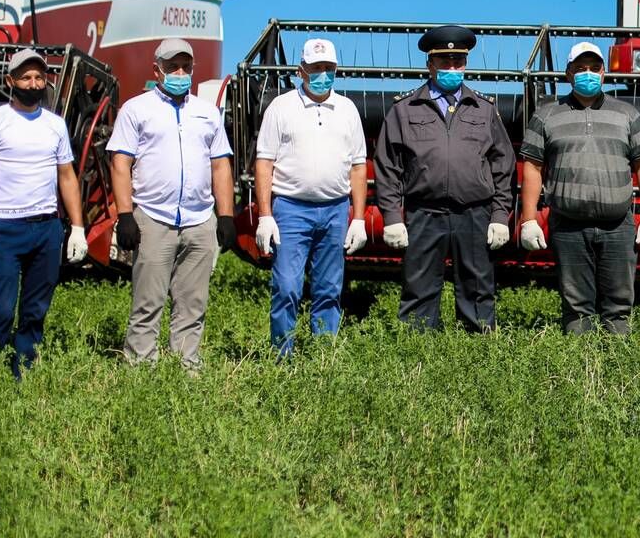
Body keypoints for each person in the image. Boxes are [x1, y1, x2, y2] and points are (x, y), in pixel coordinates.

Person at [374, 25, 515, 333]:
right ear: (430, 64)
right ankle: (415, 363)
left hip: (475, 213)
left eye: (458, 61)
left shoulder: (484, 109)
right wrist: (391, 216)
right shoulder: (404, 108)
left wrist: (501, 215)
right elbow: (387, 165)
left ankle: (478, 361)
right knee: (419, 290)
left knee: (478, 292)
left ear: (465, 63)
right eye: (445, 61)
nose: (452, 68)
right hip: (424, 212)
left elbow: (503, 164)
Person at [108, 38, 235, 369]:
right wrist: (125, 216)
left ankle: (186, 369)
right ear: (157, 70)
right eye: (172, 66)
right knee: (147, 303)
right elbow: (120, 163)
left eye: (185, 66)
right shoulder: (136, 109)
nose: (180, 72)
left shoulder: (207, 114)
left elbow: (220, 165)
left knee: (193, 304)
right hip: (153, 218)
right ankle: (139, 372)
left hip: (198, 220)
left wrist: (225, 216)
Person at [0, 48, 89, 376]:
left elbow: (67, 177)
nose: (33, 84)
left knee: (35, 308)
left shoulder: (55, 125)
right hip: (5, 227)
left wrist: (77, 227)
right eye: (25, 78)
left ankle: (24, 371)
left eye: (38, 77)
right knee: (3, 308)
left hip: (46, 228)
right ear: (11, 81)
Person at [518, 41, 640, 335]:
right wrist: (528, 218)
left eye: (594, 68)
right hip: (567, 226)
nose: (588, 74)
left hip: (618, 226)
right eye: (580, 69)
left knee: (619, 306)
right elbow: (532, 167)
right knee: (576, 307)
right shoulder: (545, 116)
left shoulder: (627, 114)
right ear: (568, 74)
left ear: (604, 73)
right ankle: (579, 373)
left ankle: (616, 369)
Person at [253, 38, 369, 355]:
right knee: (287, 287)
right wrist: (265, 215)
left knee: (329, 289)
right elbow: (264, 162)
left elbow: (358, 166)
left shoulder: (347, 110)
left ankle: (321, 358)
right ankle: (282, 357)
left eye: (328, 68)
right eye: (316, 68)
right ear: (300, 70)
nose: (323, 74)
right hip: (291, 209)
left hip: (335, 209)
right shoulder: (281, 107)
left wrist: (358, 218)